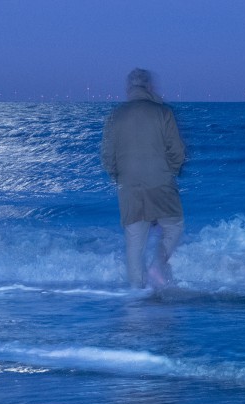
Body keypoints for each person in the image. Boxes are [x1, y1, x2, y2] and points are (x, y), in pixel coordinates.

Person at [101, 68, 186, 289]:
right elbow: (178, 152)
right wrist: (170, 173)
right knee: (174, 226)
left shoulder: (115, 116)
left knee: (134, 243)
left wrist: (120, 178)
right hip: (160, 184)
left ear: (129, 88)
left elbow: (107, 157)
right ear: (149, 87)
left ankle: (136, 295)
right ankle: (159, 263)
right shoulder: (163, 112)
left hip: (129, 188)